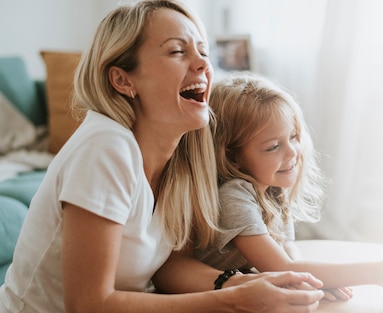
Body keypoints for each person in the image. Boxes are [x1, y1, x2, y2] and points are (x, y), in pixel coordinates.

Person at [0, 1, 325, 312]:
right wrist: (235, 300)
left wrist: (246, 284)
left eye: (203, 51)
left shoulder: (180, 152)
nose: (201, 64)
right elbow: (88, 305)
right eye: (177, 51)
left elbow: (172, 264)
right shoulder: (105, 147)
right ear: (123, 80)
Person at [196, 72, 383, 301]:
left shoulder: (271, 187)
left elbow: (287, 249)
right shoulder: (234, 195)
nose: (292, 152)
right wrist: (377, 272)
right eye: (273, 147)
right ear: (232, 157)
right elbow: (283, 267)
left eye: (293, 137)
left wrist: (311, 280)